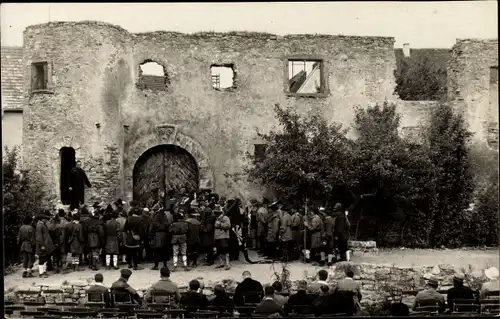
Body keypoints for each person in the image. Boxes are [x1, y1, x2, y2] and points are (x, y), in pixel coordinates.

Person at [35, 213, 55, 277]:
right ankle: (41, 273)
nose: (46, 219)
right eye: (45, 218)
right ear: (41, 219)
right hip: (42, 245)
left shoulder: (43, 225)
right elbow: (39, 237)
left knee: (45, 258)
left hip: (46, 244)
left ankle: (44, 271)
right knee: (42, 259)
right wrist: (42, 245)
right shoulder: (39, 226)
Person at [124, 205, 143, 270]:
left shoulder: (128, 218)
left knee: (129, 251)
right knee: (135, 252)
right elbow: (141, 230)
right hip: (136, 237)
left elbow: (125, 228)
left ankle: (129, 264)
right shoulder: (140, 219)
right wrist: (141, 237)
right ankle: (135, 265)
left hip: (129, 236)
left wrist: (128, 233)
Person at [214, 205, 231, 270]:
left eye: (217, 212)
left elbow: (228, 226)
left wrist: (220, 224)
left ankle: (227, 264)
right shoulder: (217, 218)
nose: (216, 214)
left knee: (225, 250)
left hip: (224, 237)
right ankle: (221, 263)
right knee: (219, 251)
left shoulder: (225, 218)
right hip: (217, 237)